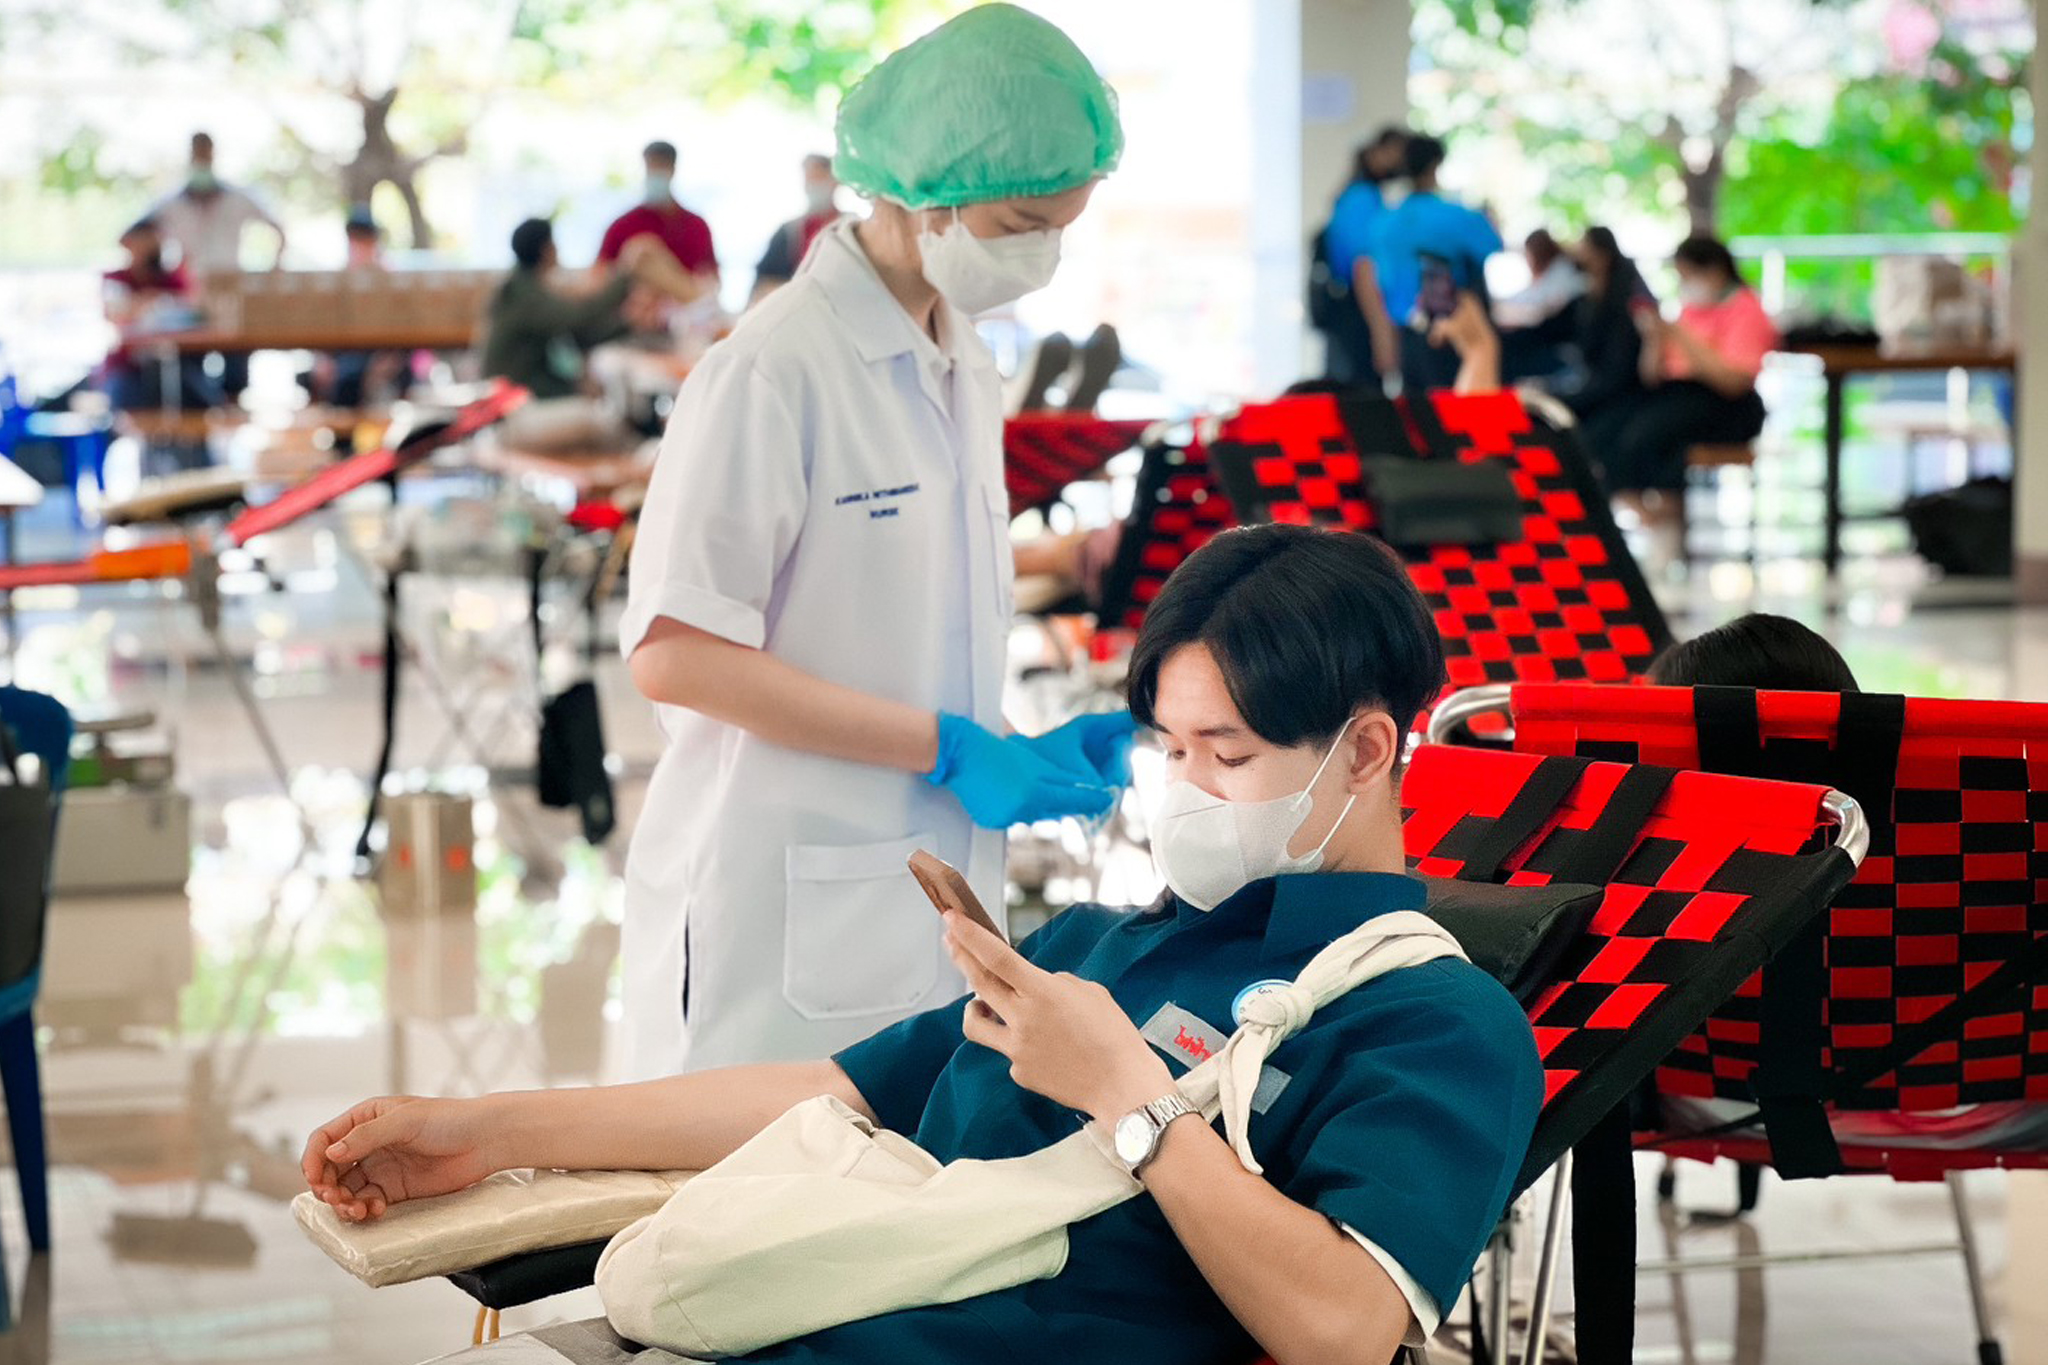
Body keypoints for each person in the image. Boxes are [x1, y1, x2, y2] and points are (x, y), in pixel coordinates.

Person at [301, 523, 1545, 1364]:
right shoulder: (1100, 948)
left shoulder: (1431, 1025)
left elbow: (1342, 1328)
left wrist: (1131, 1099)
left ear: (1366, 751)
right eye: (1169, 751)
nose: (1185, 788)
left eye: (1225, 755)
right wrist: (489, 1134)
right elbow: (827, 1092)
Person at [616, 5, 1133, 1081]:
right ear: (921, 192)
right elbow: (676, 652)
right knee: (752, 1214)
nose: (1040, 254)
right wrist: (943, 747)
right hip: (775, 898)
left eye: (1060, 225)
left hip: (917, 899)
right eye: (1021, 222)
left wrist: (1002, 740)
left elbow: (898, 630)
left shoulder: (962, 363)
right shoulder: (773, 372)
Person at [1593, 234, 1778, 500]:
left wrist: (1681, 335)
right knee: (1605, 427)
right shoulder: (1690, 310)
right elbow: (1652, 376)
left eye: (1687, 275)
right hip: (1674, 396)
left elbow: (1733, 382)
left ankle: (1651, 512)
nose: (1684, 284)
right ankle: (1623, 507)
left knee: (1643, 437)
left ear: (1714, 271)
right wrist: (1654, 338)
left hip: (1724, 405)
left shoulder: (1746, 309)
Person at [481, 218, 663, 452]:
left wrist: (629, 324)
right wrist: (625, 276)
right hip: (515, 413)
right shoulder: (521, 293)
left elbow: (582, 335)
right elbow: (579, 319)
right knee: (613, 428)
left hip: (521, 405)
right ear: (545, 249)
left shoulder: (524, 287)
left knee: (615, 419)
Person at [1357, 134, 1504, 396]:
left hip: (1406, 337)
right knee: (1459, 420)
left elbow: (1371, 276)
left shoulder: (1383, 222)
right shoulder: (1456, 216)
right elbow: (1492, 245)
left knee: (1417, 420)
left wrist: (1382, 338)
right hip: (1452, 334)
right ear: (1435, 166)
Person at [1310, 125, 1407, 387]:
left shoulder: (1359, 197)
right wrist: (1381, 332)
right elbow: (1364, 267)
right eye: (1396, 153)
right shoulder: (1362, 199)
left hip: (1352, 319)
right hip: (1355, 320)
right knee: (1359, 404)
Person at [101, 217, 220, 411]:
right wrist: (151, 300)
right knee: (124, 398)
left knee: (202, 399)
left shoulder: (173, 279)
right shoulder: (116, 279)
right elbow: (116, 313)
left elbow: (198, 311)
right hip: (130, 368)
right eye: (145, 242)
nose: (152, 248)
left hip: (179, 363)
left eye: (157, 242)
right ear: (129, 244)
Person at [1550, 226, 1655, 441]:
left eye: (1584, 249)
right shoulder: (1587, 298)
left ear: (1602, 256)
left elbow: (1616, 374)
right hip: (1597, 384)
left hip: (1620, 394)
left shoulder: (1627, 302)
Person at [597, 139, 719, 303]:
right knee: (641, 250)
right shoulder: (623, 225)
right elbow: (598, 276)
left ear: (672, 170)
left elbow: (713, 279)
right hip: (634, 311)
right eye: (651, 167)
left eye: (661, 167)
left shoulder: (696, 227)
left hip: (684, 312)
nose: (655, 173)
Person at [151, 132, 287, 276]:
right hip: (188, 284)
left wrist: (274, 270)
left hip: (229, 279)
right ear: (190, 156)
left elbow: (277, 228)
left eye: (205, 155)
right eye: (198, 155)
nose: (202, 160)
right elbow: (135, 235)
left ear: (213, 155)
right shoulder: (170, 202)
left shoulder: (238, 197)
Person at [750, 154, 843, 303]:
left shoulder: (851, 228)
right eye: (808, 180)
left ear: (836, 181)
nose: (812, 186)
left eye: (818, 178)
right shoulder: (788, 232)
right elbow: (764, 283)